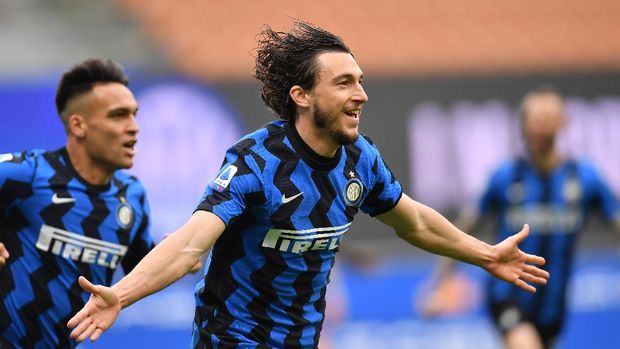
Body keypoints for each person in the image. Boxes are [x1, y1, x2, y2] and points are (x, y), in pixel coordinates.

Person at [67, 22, 549, 349]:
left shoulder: (362, 158)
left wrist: (484, 255)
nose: (360, 94)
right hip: (234, 339)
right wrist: (122, 295)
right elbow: (190, 246)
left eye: (359, 81)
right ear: (301, 96)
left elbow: (415, 222)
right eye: (343, 83)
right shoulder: (255, 161)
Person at [423, 86, 620, 349]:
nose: (536, 128)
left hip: (553, 302)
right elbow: (463, 229)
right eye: (531, 121)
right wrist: (439, 284)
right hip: (507, 293)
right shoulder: (505, 176)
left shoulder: (585, 178)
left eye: (544, 121)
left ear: (562, 124)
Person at [0, 58, 155, 349]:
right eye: (118, 116)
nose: (134, 127)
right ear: (78, 125)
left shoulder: (132, 196)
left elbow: (142, 268)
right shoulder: (30, 173)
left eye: (134, 115)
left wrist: (178, 255)